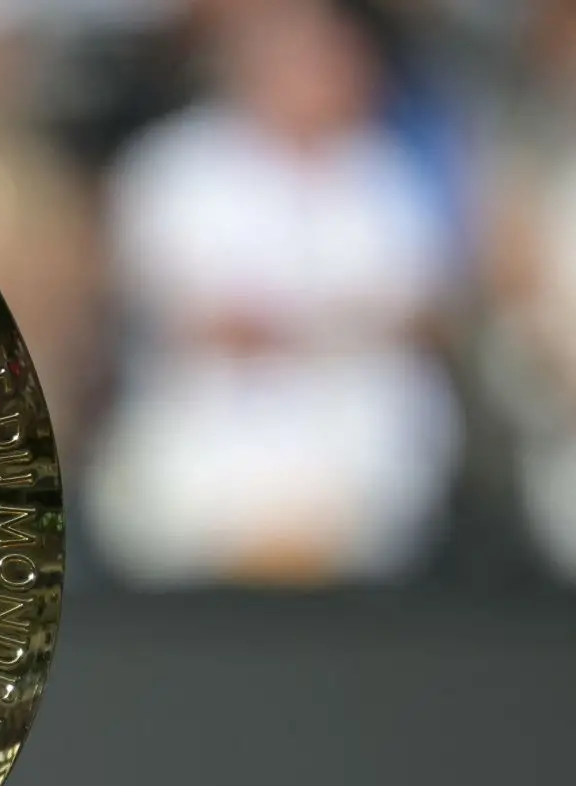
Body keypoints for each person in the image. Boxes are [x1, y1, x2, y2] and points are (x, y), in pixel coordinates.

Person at [90, 0, 462, 586]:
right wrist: (334, 325)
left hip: (357, 429)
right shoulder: (175, 166)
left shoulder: (389, 171)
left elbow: (423, 317)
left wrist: (301, 328)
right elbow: (201, 322)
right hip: (211, 428)